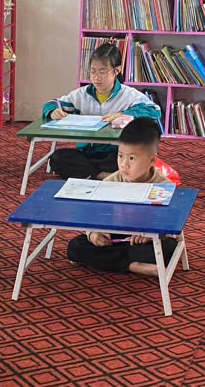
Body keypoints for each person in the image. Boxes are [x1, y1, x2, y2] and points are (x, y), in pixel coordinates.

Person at [65, 117, 180, 278]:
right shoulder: (110, 182)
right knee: (76, 246)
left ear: (152, 160)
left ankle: (116, 261)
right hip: (116, 237)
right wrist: (93, 234)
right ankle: (132, 265)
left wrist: (151, 234)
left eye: (132, 158)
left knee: (168, 248)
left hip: (146, 241)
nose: (124, 164)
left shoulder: (164, 187)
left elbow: (173, 227)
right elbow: (92, 216)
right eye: (120, 156)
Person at [43, 42, 164, 181]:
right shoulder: (81, 94)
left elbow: (154, 110)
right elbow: (53, 103)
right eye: (93, 71)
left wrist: (124, 114)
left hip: (113, 154)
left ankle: (90, 174)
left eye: (102, 72)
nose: (96, 77)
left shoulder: (128, 95)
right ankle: (104, 176)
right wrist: (52, 110)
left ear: (116, 71)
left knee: (132, 159)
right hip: (86, 153)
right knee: (57, 158)